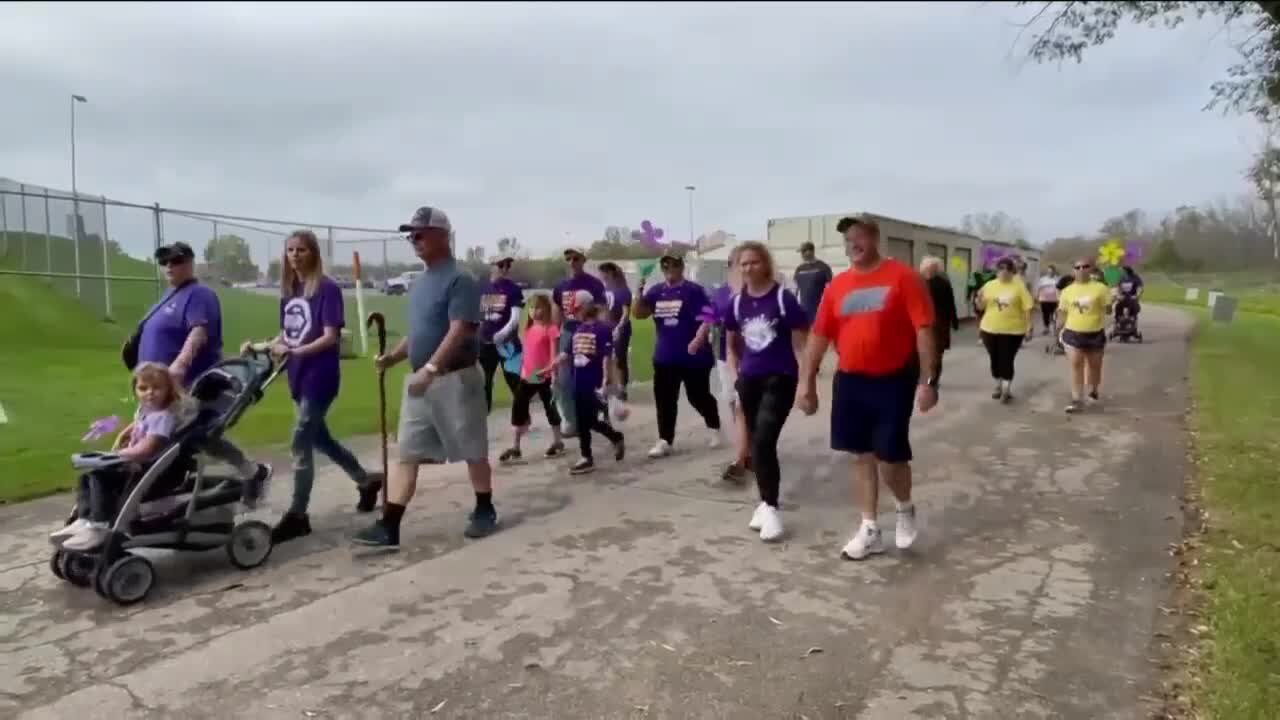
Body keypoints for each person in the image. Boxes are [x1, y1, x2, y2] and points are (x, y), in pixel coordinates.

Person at [353, 206, 496, 549]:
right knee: (409, 452)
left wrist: (431, 369)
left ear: (442, 236)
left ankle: (485, 508)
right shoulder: (419, 283)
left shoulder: (460, 279)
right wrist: (394, 357)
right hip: (421, 381)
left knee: (471, 448)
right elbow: (419, 333)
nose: (414, 240)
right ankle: (390, 525)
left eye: (420, 233)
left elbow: (460, 329)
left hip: (456, 378)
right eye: (411, 235)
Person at [797, 215, 938, 561]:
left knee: (890, 458)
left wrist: (928, 381)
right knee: (861, 456)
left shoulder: (904, 277)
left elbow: (924, 329)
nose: (852, 244)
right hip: (851, 380)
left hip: (893, 379)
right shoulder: (838, 286)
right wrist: (807, 382)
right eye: (847, 240)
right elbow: (819, 335)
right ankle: (870, 527)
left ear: (875, 238)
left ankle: (904, 508)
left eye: (858, 237)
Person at [244, 229, 385, 544]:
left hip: (319, 376)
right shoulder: (289, 290)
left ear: (314, 254)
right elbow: (289, 334)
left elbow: (330, 337)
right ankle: (365, 481)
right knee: (320, 439)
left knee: (300, 442)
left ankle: (298, 515)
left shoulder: (327, 289)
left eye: (302, 250)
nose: (295, 255)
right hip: (296, 374)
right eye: (290, 250)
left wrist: (293, 352)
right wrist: (261, 345)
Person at [135, 241, 271, 504]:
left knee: (185, 439)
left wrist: (180, 365)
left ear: (190, 262)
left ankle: (159, 496)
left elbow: (199, 331)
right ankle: (251, 472)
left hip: (189, 387)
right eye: (164, 262)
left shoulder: (199, 294)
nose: (169, 266)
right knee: (195, 439)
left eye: (176, 261)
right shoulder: (170, 295)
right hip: (157, 390)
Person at [724, 242, 809, 542]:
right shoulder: (736, 303)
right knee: (757, 444)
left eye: (754, 262)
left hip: (781, 378)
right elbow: (731, 344)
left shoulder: (783, 299)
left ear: (766, 264)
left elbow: (802, 343)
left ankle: (771, 508)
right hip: (749, 380)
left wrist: (806, 383)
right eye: (743, 264)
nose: (748, 268)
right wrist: (735, 375)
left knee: (763, 439)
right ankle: (764, 501)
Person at [53, 362, 185, 551]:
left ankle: (99, 525)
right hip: (133, 464)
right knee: (86, 477)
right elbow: (137, 424)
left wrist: (118, 455)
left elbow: (147, 448)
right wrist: (123, 434)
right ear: (135, 390)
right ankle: (85, 519)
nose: (149, 392)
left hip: (145, 470)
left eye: (156, 388)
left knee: (101, 478)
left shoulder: (163, 417)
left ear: (168, 390)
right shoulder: (146, 410)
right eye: (143, 388)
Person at [632, 252, 722, 458]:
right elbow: (639, 313)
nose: (668, 269)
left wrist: (700, 337)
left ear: (681, 267)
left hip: (694, 355)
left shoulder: (694, 291)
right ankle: (665, 439)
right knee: (665, 399)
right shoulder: (656, 291)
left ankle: (714, 426)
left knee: (697, 396)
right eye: (665, 266)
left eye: (673, 265)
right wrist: (638, 292)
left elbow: (711, 315)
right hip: (665, 355)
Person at [561, 291, 626, 474]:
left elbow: (607, 357)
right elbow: (566, 355)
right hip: (578, 380)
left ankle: (587, 456)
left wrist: (607, 379)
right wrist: (550, 367)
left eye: (577, 309)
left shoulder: (602, 329)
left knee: (585, 421)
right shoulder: (577, 330)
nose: (575, 314)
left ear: (586, 307)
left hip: (593, 382)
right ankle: (614, 438)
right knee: (586, 421)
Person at [500, 294, 566, 463]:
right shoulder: (528, 330)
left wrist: (553, 374)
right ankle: (516, 446)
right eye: (532, 308)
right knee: (518, 406)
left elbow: (554, 355)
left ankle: (557, 441)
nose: (534, 311)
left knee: (550, 408)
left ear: (546, 309)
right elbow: (527, 354)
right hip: (527, 376)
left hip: (544, 376)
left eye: (538, 308)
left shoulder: (551, 329)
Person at [551, 248, 608, 435]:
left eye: (575, 258)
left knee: (589, 376)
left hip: (589, 332)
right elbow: (557, 312)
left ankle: (598, 412)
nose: (571, 262)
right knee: (565, 379)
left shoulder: (594, 284)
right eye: (568, 258)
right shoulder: (561, 286)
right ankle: (571, 420)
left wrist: (602, 332)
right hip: (569, 332)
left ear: (583, 260)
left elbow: (602, 311)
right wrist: (555, 335)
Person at [713, 248, 753, 484]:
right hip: (724, 355)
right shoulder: (719, 293)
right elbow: (709, 318)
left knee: (743, 404)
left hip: (752, 357)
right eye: (732, 263)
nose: (735, 268)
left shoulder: (757, 293)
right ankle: (745, 446)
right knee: (731, 399)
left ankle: (742, 455)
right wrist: (699, 337)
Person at [975, 257, 1035, 403]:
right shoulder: (989, 285)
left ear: (1012, 271)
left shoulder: (1019, 286)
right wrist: (979, 300)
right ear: (996, 271)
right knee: (994, 358)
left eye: (1008, 269)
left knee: (1007, 358)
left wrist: (1029, 326)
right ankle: (998, 384)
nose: (1004, 272)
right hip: (989, 328)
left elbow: (1027, 308)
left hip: (1013, 330)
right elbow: (981, 307)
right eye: (1001, 268)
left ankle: (1006, 389)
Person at [1057, 258, 1112, 414]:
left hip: (1095, 333)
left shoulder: (1100, 288)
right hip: (1073, 332)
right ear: (1073, 270)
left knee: (1095, 366)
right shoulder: (1067, 291)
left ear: (1091, 269)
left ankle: (1094, 389)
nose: (1081, 269)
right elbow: (1062, 311)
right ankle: (1076, 399)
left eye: (1085, 267)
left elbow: (1108, 310)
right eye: (1078, 267)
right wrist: (1058, 328)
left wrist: (1109, 303)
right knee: (1076, 363)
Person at [478, 255, 525, 412]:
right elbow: (477, 314)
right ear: (492, 266)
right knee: (485, 382)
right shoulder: (482, 287)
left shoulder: (513, 289)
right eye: (501, 265)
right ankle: (484, 417)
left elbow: (515, 318)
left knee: (514, 380)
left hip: (508, 343)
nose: (505, 268)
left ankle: (521, 417)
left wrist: (501, 335)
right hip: (486, 343)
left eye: (508, 265)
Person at [918, 256, 958, 386]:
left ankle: (933, 378)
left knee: (936, 352)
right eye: (927, 268)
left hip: (939, 322)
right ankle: (924, 376)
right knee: (922, 350)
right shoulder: (917, 281)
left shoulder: (943, 283)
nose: (929, 271)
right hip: (920, 321)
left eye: (933, 268)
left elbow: (950, 302)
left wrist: (954, 320)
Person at [597, 262, 634, 401]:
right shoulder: (602, 291)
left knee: (619, 359)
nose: (599, 275)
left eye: (602, 272)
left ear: (609, 273)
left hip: (620, 329)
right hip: (604, 329)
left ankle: (622, 389)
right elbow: (600, 311)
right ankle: (606, 387)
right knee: (604, 359)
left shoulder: (623, 290)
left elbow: (626, 313)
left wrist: (619, 327)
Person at [793, 241, 833, 324]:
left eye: (803, 251)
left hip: (818, 311)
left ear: (811, 251)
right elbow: (796, 289)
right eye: (801, 252)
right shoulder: (800, 269)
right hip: (803, 311)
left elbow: (830, 288)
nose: (802, 255)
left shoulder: (823, 267)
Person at [1036, 265, 1061, 335]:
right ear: (1047, 272)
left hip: (1054, 300)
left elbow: (1060, 289)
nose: (1050, 273)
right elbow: (1039, 288)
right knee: (1045, 315)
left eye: (1052, 271)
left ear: (1054, 272)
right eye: (1049, 271)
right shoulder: (1042, 279)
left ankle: (1055, 329)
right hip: (1044, 300)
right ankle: (1046, 328)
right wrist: (1037, 297)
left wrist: (1060, 298)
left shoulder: (1057, 279)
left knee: (1054, 315)